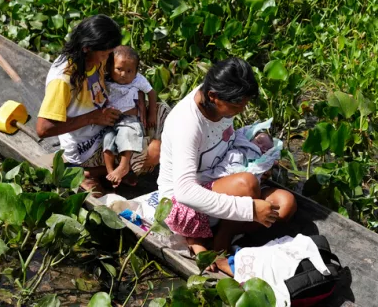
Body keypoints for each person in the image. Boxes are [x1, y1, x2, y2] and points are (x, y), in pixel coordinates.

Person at [156, 57, 298, 273]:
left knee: (285, 204)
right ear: (213, 96)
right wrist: (249, 208)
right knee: (246, 185)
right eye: (235, 106)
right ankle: (217, 244)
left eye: (244, 104)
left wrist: (258, 163)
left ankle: (218, 236)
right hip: (183, 204)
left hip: (221, 185)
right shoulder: (187, 124)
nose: (240, 110)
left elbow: (227, 144)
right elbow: (184, 192)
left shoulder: (218, 99)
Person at [35, 15, 168, 194]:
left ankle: (116, 168)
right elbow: (43, 129)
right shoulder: (64, 79)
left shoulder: (96, 57)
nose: (108, 58)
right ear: (87, 48)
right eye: (105, 54)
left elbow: (127, 78)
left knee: (164, 112)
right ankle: (88, 172)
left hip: (106, 121)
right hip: (87, 145)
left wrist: (140, 103)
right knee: (153, 153)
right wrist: (93, 118)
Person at [102, 45, 158, 188]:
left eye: (129, 71)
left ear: (135, 71)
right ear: (110, 66)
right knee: (108, 142)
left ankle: (124, 166)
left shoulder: (137, 80)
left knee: (127, 135)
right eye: (119, 69)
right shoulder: (105, 78)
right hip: (110, 121)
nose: (123, 74)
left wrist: (151, 113)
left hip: (129, 120)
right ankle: (111, 173)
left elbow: (152, 93)